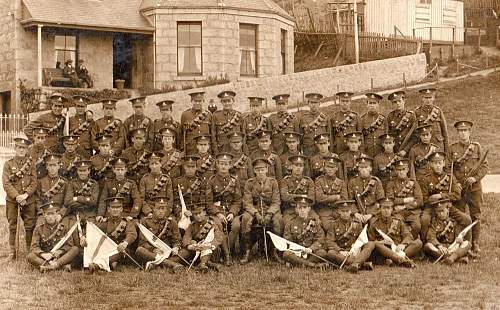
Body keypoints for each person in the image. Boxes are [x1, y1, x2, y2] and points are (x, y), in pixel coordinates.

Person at [448, 120, 488, 256]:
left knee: (476, 214)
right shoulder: (452, 148)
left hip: (474, 188)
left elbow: (484, 166)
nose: (463, 133)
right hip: (459, 188)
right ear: (457, 132)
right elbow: (449, 169)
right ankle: (460, 241)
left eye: (465, 131)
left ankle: (475, 243)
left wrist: (475, 178)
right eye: (460, 131)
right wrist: (455, 184)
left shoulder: (476, 147)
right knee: (460, 215)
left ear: (469, 132)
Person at [419, 151, 472, 241]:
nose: (438, 166)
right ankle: (424, 247)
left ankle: (466, 245)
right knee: (424, 220)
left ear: (443, 163)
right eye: (435, 163)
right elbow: (424, 199)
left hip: (447, 207)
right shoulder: (426, 179)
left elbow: (457, 195)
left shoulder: (450, 177)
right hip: (431, 208)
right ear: (431, 164)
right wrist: (431, 200)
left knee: (467, 220)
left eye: (440, 163)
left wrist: (441, 196)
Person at [240, 158, 282, 263]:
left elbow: (276, 202)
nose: (260, 172)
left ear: (267, 169)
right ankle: (247, 251)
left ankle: (274, 251)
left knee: (278, 220)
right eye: (257, 169)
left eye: (262, 169)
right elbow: (247, 203)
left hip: (270, 210)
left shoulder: (273, 182)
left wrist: (269, 214)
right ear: (254, 170)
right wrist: (256, 214)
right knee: (246, 218)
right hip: (254, 210)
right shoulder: (249, 183)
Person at [2, 136, 37, 258]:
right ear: (15, 148)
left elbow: (34, 182)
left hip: (29, 200)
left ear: (27, 150)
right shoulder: (8, 164)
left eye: (24, 148)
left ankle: (29, 251)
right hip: (13, 200)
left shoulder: (31, 164)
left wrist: (25, 195)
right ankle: (13, 252)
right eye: (19, 147)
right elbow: (6, 183)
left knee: (30, 225)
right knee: (12, 226)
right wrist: (17, 197)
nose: (21, 150)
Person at [205, 153, 242, 264]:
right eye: (221, 164)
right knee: (219, 226)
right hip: (217, 213)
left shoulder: (234, 181)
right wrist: (218, 214)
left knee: (236, 225)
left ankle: (229, 251)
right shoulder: (211, 181)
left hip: (230, 212)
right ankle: (226, 255)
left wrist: (232, 213)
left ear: (230, 165)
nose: (224, 167)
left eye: (226, 164)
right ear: (217, 164)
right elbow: (209, 202)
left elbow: (238, 200)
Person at [368, 198, 422, 268]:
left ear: (392, 210)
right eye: (384, 208)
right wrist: (381, 242)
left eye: (388, 208)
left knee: (418, 242)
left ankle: (394, 260)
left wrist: (403, 244)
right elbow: (370, 241)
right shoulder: (375, 223)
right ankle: (401, 260)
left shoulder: (398, 221)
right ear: (380, 209)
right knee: (377, 245)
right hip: (384, 251)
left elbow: (408, 235)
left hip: (398, 249)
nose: (386, 210)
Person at [136, 195, 184, 272]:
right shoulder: (145, 221)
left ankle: (155, 265)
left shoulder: (172, 222)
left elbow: (177, 240)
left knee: (184, 252)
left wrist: (176, 247)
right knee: (140, 250)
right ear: (153, 209)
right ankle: (173, 265)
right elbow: (142, 242)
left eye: (163, 208)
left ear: (166, 210)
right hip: (152, 253)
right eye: (158, 208)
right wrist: (153, 249)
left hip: (167, 252)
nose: (161, 211)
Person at [26, 202, 79, 272]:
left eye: (53, 214)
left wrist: (60, 251)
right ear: (44, 215)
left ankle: (52, 266)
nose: (51, 217)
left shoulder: (63, 227)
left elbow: (69, 245)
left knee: (75, 249)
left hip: (59, 256)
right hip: (45, 257)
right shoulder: (39, 228)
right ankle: (59, 267)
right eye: (48, 214)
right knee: (30, 256)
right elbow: (34, 247)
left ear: (56, 215)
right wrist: (43, 254)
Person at [325, 200, 375, 273]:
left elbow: (361, 239)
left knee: (370, 244)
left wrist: (357, 248)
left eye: (347, 211)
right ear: (339, 211)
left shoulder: (357, 223)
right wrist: (340, 250)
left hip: (355, 251)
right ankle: (360, 264)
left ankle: (354, 264)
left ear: (350, 211)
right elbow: (329, 241)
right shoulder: (333, 224)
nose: (345, 213)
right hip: (341, 254)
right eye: (343, 211)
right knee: (330, 253)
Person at [282, 196, 328, 269]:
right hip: (297, 253)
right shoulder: (290, 224)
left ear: (309, 209)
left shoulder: (315, 223)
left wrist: (311, 248)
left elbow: (320, 239)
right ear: (296, 209)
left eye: (304, 207)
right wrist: (298, 250)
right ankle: (313, 266)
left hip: (310, 253)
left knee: (322, 252)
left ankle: (298, 264)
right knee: (286, 254)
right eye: (300, 208)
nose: (302, 210)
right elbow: (288, 241)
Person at [93, 197, 138, 271]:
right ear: (108, 209)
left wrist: (125, 242)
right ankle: (112, 264)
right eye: (113, 207)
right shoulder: (104, 223)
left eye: (118, 207)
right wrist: (84, 237)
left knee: (121, 252)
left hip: (123, 250)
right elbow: (94, 231)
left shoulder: (127, 222)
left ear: (121, 209)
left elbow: (132, 234)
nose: (115, 210)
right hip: (109, 250)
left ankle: (98, 265)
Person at [175, 205, 224, 272]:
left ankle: (204, 264)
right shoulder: (192, 225)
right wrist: (190, 246)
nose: (198, 216)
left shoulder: (212, 223)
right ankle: (209, 265)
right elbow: (186, 238)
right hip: (197, 249)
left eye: (199, 213)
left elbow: (219, 238)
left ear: (204, 213)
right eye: (195, 214)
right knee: (184, 253)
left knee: (209, 251)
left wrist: (209, 245)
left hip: (211, 250)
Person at [423, 198, 472, 265]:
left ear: (447, 210)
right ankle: (454, 258)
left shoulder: (454, 222)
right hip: (440, 248)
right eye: (438, 211)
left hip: (452, 246)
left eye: (442, 211)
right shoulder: (434, 223)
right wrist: (440, 246)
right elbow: (431, 237)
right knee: (428, 246)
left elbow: (458, 236)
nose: (441, 214)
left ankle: (450, 258)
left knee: (467, 243)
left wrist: (459, 241)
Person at [385, 159, 423, 239]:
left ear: (407, 170)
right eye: (399, 170)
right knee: (397, 226)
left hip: (412, 212)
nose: (401, 172)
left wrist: (404, 206)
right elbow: (390, 200)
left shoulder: (414, 183)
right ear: (395, 171)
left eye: (403, 169)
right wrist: (406, 200)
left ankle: (411, 242)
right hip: (398, 213)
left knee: (417, 226)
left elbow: (419, 201)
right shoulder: (390, 184)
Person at [97, 157, 142, 222]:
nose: (120, 172)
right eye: (118, 170)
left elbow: (137, 200)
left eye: (122, 169)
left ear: (125, 170)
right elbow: (103, 200)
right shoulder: (108, 184)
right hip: (111, 214)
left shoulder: (131, 184)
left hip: (126, 214)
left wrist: (132, 215)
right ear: (114, 170)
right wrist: (100, 214)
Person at [347, 155, 384, 223]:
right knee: (355, 225)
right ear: (358, 168)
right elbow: (350, 200)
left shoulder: (376, 182)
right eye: (361, 167)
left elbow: (380, 201)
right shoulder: (352, 182)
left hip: (373, 213)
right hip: (358, 213)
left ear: (370, 168)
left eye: (366, 167)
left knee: (375, 224)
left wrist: (370, 214)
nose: (364, 170)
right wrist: (356, 213)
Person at [314, 155, 348, 230]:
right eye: (328, 167)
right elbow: (319, 198)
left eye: (332, 167)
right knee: (328, 227)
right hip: (324, 211)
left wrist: (326, 199)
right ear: (324, 167)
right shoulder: (319, 181)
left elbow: (344, 199)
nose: (330, 169)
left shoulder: (341, 182)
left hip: (337, 210)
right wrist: (335, 197)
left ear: (336, 168)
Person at [280, 154, 315, 221]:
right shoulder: (285, 181)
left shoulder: (309, 181)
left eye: (301, 166)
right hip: (290, 210)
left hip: (306, 209)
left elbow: (312, 199)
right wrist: (302, 195)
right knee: (287, 223)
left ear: (303, 167)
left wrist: (292, 197)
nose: (298, 168)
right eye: (296, 165)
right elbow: (284, 197)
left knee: (317, 222)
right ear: (291, 166)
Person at [139, 152, 173, 219]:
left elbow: (170, 200)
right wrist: (148, 212)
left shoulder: (167, 179)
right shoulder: (144, 179)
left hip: (163, 211)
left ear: (161, 164)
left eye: (156, 163)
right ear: (149, 165)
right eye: (152, 164)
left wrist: (165, 214)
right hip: (149, 212)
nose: (154, 166)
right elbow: (141, 199)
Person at [414, 87, 449, 153]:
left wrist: (446, 150)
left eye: (430, 98)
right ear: (422, 98)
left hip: (438, 145)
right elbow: (415, 132)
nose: (428, 100)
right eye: (426, 98)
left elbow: (444, 131)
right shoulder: (417, 112)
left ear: (433, 98)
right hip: (423, 147)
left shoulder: (438, 111)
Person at [173, 155, 205, 220]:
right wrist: (180, 212)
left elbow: (202, 202)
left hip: (197, 213)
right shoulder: (178, 181)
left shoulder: (201, 182)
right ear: (184, 167)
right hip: (182, 212)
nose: (190, 169)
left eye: (193, 167)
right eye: (188, 167)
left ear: (196, 167)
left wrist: (194, 212)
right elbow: (175, 201)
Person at [360, 93, 386, 158]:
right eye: (370, 103)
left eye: (374, 103)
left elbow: (386, 137)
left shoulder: (383, 119)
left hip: (381, 153)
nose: (372, 105)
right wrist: (362, 153)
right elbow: (360, 138)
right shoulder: (362, 120)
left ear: (378, 104)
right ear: (367, 105)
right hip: (367, 153)